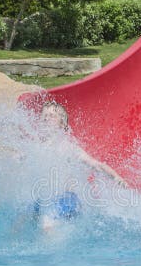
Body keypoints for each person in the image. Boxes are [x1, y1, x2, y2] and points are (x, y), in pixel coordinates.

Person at [33, 99, 126, 232]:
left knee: (47, 220)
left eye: (52, 116)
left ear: (62, 124)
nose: (47, 118)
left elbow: (95, 165)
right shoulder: (36, 147)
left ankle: (53, 249)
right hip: (46, 198)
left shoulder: (67, 147)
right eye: (44, 116)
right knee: (23, 216)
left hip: (68, 199)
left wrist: (116, 177)